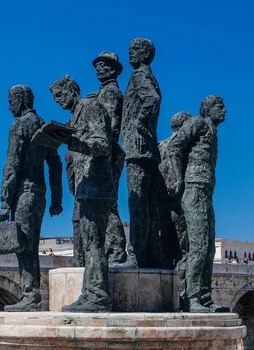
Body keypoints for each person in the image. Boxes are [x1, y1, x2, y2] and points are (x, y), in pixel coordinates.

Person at [49, 75, 114, 312]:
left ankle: (97, 296)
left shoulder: (90, 107)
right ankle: (91, 293)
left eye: (59, 95)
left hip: (97, 186)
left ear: (72, 89)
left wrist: (71, 141)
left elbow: (102, 144)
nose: (57, 101)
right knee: (89, 242)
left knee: (94, 242)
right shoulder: (75, 115)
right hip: (86, 189)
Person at [0, 85, 63, 312]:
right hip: (41, 194)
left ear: (21, 100)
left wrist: (5, 199)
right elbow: (55, 165)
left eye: (10, 101)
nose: (9, 107)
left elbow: (12, 163)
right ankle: (31, 295)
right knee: (32, 244)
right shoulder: (44, 126)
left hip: (24, 193)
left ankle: (30, 296)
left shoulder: (19, 126)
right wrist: (57, 199)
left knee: (24, 247)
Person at [170, 95, 229, 313]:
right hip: (193, 189)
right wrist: (179, 178)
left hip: (206, 191)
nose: (225, 111)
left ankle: (204, 298)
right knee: (198, 246)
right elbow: (175, 146)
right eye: (220, 107)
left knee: (209, 249)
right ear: (207, 109)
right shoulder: (197, 123)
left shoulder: (213, 132)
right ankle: (191, 298)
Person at [121, 38, 162, 269]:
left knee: (136, 203)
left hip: (137, 149)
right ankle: (149, 254)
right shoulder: (150, 76)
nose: (130, 53)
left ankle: (135, 255)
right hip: (148, 150)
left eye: (133, 50)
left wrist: (138, 122)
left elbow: (151, 99)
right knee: (148, 206)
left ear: (144, 53)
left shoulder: (138, 76)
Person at [88, 51, 128, 265]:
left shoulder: (111, 92)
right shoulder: (101, 93)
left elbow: (110, 125)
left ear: (113, 69)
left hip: (107, 152)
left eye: (102, 65)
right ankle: (111, 247)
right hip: (105, 151)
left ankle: (116, 250)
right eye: (97, 66)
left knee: (108, 203)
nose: (98, 69)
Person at [158, 111, 192, 302]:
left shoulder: (160, 146)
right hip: (181, 204)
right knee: (184, 251)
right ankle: (183, 295)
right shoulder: (185, 148)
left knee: (164, 250)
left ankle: (163, 296)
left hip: (161, 205)